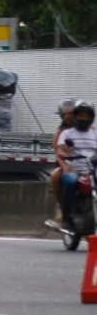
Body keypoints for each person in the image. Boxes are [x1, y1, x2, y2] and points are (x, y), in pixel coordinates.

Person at [49, 100, 97, 233]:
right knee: (65, 179)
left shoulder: (94, 132)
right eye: (80, 115)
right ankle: (64, 213)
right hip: (72, 166)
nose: (83, 118)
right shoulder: (64, 132)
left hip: (92, 168)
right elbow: (59, 150)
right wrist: (65, 164)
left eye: (86, 115)